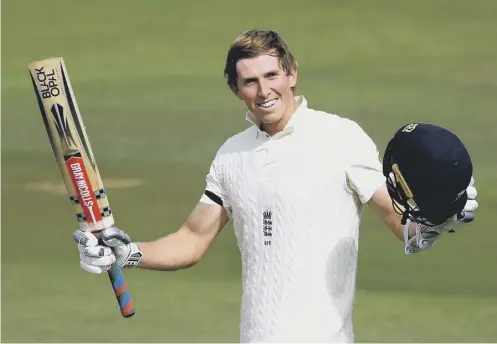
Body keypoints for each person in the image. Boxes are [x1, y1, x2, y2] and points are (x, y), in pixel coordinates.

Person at [74, 29, 479, 343]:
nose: (264, 90)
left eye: (272, 75)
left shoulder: (340, 136)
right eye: (250, 81)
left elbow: (402, 224)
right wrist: (126, 253)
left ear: (292, 73)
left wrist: (438, 221)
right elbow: (192, 239)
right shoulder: (231, 156)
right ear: (237, 89)